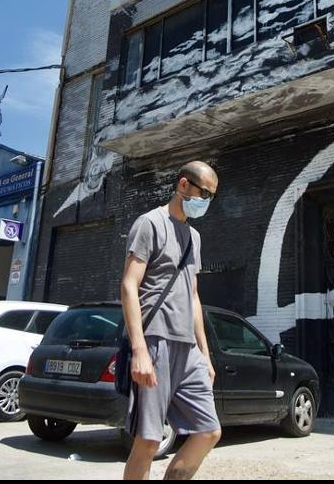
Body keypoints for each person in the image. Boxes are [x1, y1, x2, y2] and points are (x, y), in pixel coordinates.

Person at [120, 161, 222, 480]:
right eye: (203, 193)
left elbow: (192, 296)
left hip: (187, 347)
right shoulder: (150, 223)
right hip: (155, 342)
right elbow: (128, 285)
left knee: (208, 431)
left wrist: (204, 354)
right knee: (149, 441)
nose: (205, 201)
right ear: (182, 186)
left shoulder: (194, 237)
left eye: (211, 196)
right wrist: (139, 350)